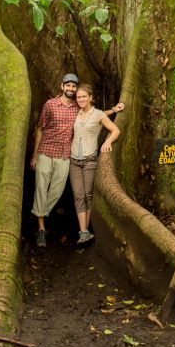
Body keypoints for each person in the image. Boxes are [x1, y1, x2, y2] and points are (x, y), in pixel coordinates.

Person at [30, 74, 123, 247]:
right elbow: (40, 129)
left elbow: (94, 115)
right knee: (41, 188)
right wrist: (34, 156)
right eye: (68, 86)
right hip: (46, 152)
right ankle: (41, 228)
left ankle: (39, 213)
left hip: (64, 156)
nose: (71, 89)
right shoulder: (50, 104)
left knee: (56, 192)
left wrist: (113, 110)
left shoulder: (76, 107)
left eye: (74, 86)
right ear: (62, 86)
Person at [69, 83, 121, 244]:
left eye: (84, 96)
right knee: (78, 195)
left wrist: (108, 142)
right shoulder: (74, 113)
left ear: (90, 98)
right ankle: (83, 232)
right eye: (78, 97)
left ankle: (86, 229)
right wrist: (112, 110)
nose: (81, 99)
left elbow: (116, 130)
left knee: (88, 194)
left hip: (90, 159)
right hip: (74, 161)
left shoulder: (98, 114)